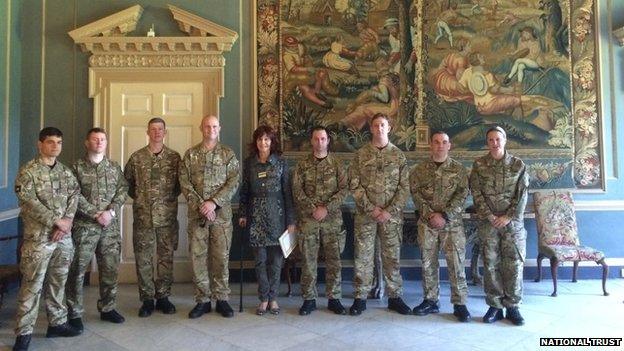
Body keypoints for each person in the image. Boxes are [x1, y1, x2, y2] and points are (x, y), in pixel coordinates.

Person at [13, 127, 81, 351]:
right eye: (50, 142)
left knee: (58, 282)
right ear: (40, 144)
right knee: (32, 287)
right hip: (38, 240)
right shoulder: (28, 172)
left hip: (62, 239)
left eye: (59, 142)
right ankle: (24, 333)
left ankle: (58, 323)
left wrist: (67, 222)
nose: (55, 146)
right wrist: (56, 221)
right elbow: (28, 201)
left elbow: (74, 195)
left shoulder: (66, 172)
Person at [66, 128, 129, 330]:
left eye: (102, 139)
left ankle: (108, 308)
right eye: (95, 139)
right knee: (76, 271)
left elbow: (122, 190)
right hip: (84, 228)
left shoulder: (113, 167)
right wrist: (95, 214)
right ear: (87, 143)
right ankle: (74, 312)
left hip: (109, 228)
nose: (99, 142)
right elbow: (74, 195)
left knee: (109, 269)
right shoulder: (76, 167)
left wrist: (110, 212)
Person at [348, 113, 411, 316]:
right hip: (366, 216)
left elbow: (404, 187)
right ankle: (360, 297)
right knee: (363, 257)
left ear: (389, 128)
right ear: (371, 129)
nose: (379, 129)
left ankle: (395, 297)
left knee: (392, 257)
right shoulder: (360, 155)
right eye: (376, 125)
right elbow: (355, 185)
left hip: (391, 218)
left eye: (383, 125)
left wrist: (388, 211)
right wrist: (372, 209)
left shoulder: (398, 156)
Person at [179, 115, 240, 318]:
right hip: (198, 218)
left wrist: (213, 203)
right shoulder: (190, 155)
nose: (210, 129)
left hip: (221, 218)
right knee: (198, 259)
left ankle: (221, 298)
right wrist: (202, 205)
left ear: (219, 128)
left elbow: (233, 182)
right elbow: (185, 183)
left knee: (221, 258)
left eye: (214, 126)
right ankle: (202, 300)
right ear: (201, 128)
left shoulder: (228, 154)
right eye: (207, 126)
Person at [469, 126, 529, 326]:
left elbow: (522, 195)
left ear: (505, 141)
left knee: (514, 264)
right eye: (491, 140)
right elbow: (476, 193)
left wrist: (508, 216)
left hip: (513, 225)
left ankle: (513, 306)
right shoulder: (478, 165)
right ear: (487, 143)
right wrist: (490, 215)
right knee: (491, 264)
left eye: (498, 139)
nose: (495, 143)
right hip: (489, 223)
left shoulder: (518, 165)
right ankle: (494, 306)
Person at [409, 131, 471, 322]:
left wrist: (444, 215)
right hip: (427, 224)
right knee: (428, 263)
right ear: (431, 145)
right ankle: (430, 300)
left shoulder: (459, 170)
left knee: (456, 263)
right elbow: (416, 194)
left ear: (449, 145)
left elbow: (462, 195)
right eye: (436, 142)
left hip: (452, 224)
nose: (440, 145)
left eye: (444, 142)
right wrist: (430, 215)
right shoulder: (419, 170)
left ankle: (459, 304)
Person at [124, 117, 181, 318]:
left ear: (165, 132)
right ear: (147, 132)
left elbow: (179, 187)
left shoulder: (175, 158)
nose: (157, 132)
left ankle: (163, 297)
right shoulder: (136, 158)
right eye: (153, 129)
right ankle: (147, 299)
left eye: (160, 129)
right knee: (144, 260)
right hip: (143, 219)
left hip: (167, 219)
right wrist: (143, 200)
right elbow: (128, 186)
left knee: (166, 258)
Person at [239, 125, 296, 316]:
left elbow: (288, 194)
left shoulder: (281, 164)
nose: (263, 143)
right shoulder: (249, 164)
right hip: (255, 218)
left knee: (276, 262)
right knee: (260, 261)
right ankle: (263, 298)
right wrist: (242, 214)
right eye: (260, 139)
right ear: (255, 142)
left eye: (267, 139)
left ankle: (273, 298)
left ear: (272, 142)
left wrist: (290, 221)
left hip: (277, 218)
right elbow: (244, 191)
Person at [292, 126, 348, 316]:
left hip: (332, 220)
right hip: (309, 220)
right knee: (308, 261)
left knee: (334, 261)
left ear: (328, 141)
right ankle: (309, 299)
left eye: (323, 139)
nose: (320, 142)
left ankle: (334, 298)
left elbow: (343, 190)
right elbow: (297, 191)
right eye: (316, 139)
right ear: (311, 141)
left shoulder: (338, 164)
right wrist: (312, 209)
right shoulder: (302, 165)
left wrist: (326, 208)